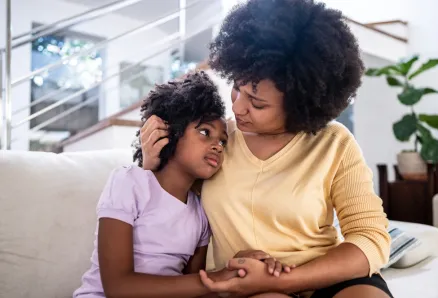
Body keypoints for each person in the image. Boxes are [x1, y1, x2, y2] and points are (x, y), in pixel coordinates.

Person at [140, 1, 393, 298]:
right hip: (245, 285)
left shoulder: (334, 143)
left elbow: (370, 238)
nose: (237, 106)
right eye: (237, 87)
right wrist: (153, 164)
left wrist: (282, 281)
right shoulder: (215, 140)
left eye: (257, 103)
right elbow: (167, 218)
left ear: (301, 107)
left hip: (324, 277)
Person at [74, 72, 291, 298]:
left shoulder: (200, 214)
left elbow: (192, 288)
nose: (217, 146)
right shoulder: (128, 184)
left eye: (223, 141)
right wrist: (216, 277)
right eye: (205, 132)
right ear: (172, 131)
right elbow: (118, 288)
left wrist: (238, 269)